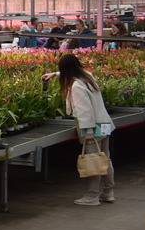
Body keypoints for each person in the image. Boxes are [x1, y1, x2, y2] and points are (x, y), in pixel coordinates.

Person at [43, 53, 115, 206]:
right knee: (105, 158)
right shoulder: (87, 76)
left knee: (93, 160)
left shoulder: (76, 86)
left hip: (93, 127)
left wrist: (88, 132)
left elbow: (85, 111)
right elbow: (72, 71)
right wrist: (55, 74)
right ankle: (108, 192)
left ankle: (92, 196)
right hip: (105, 123)